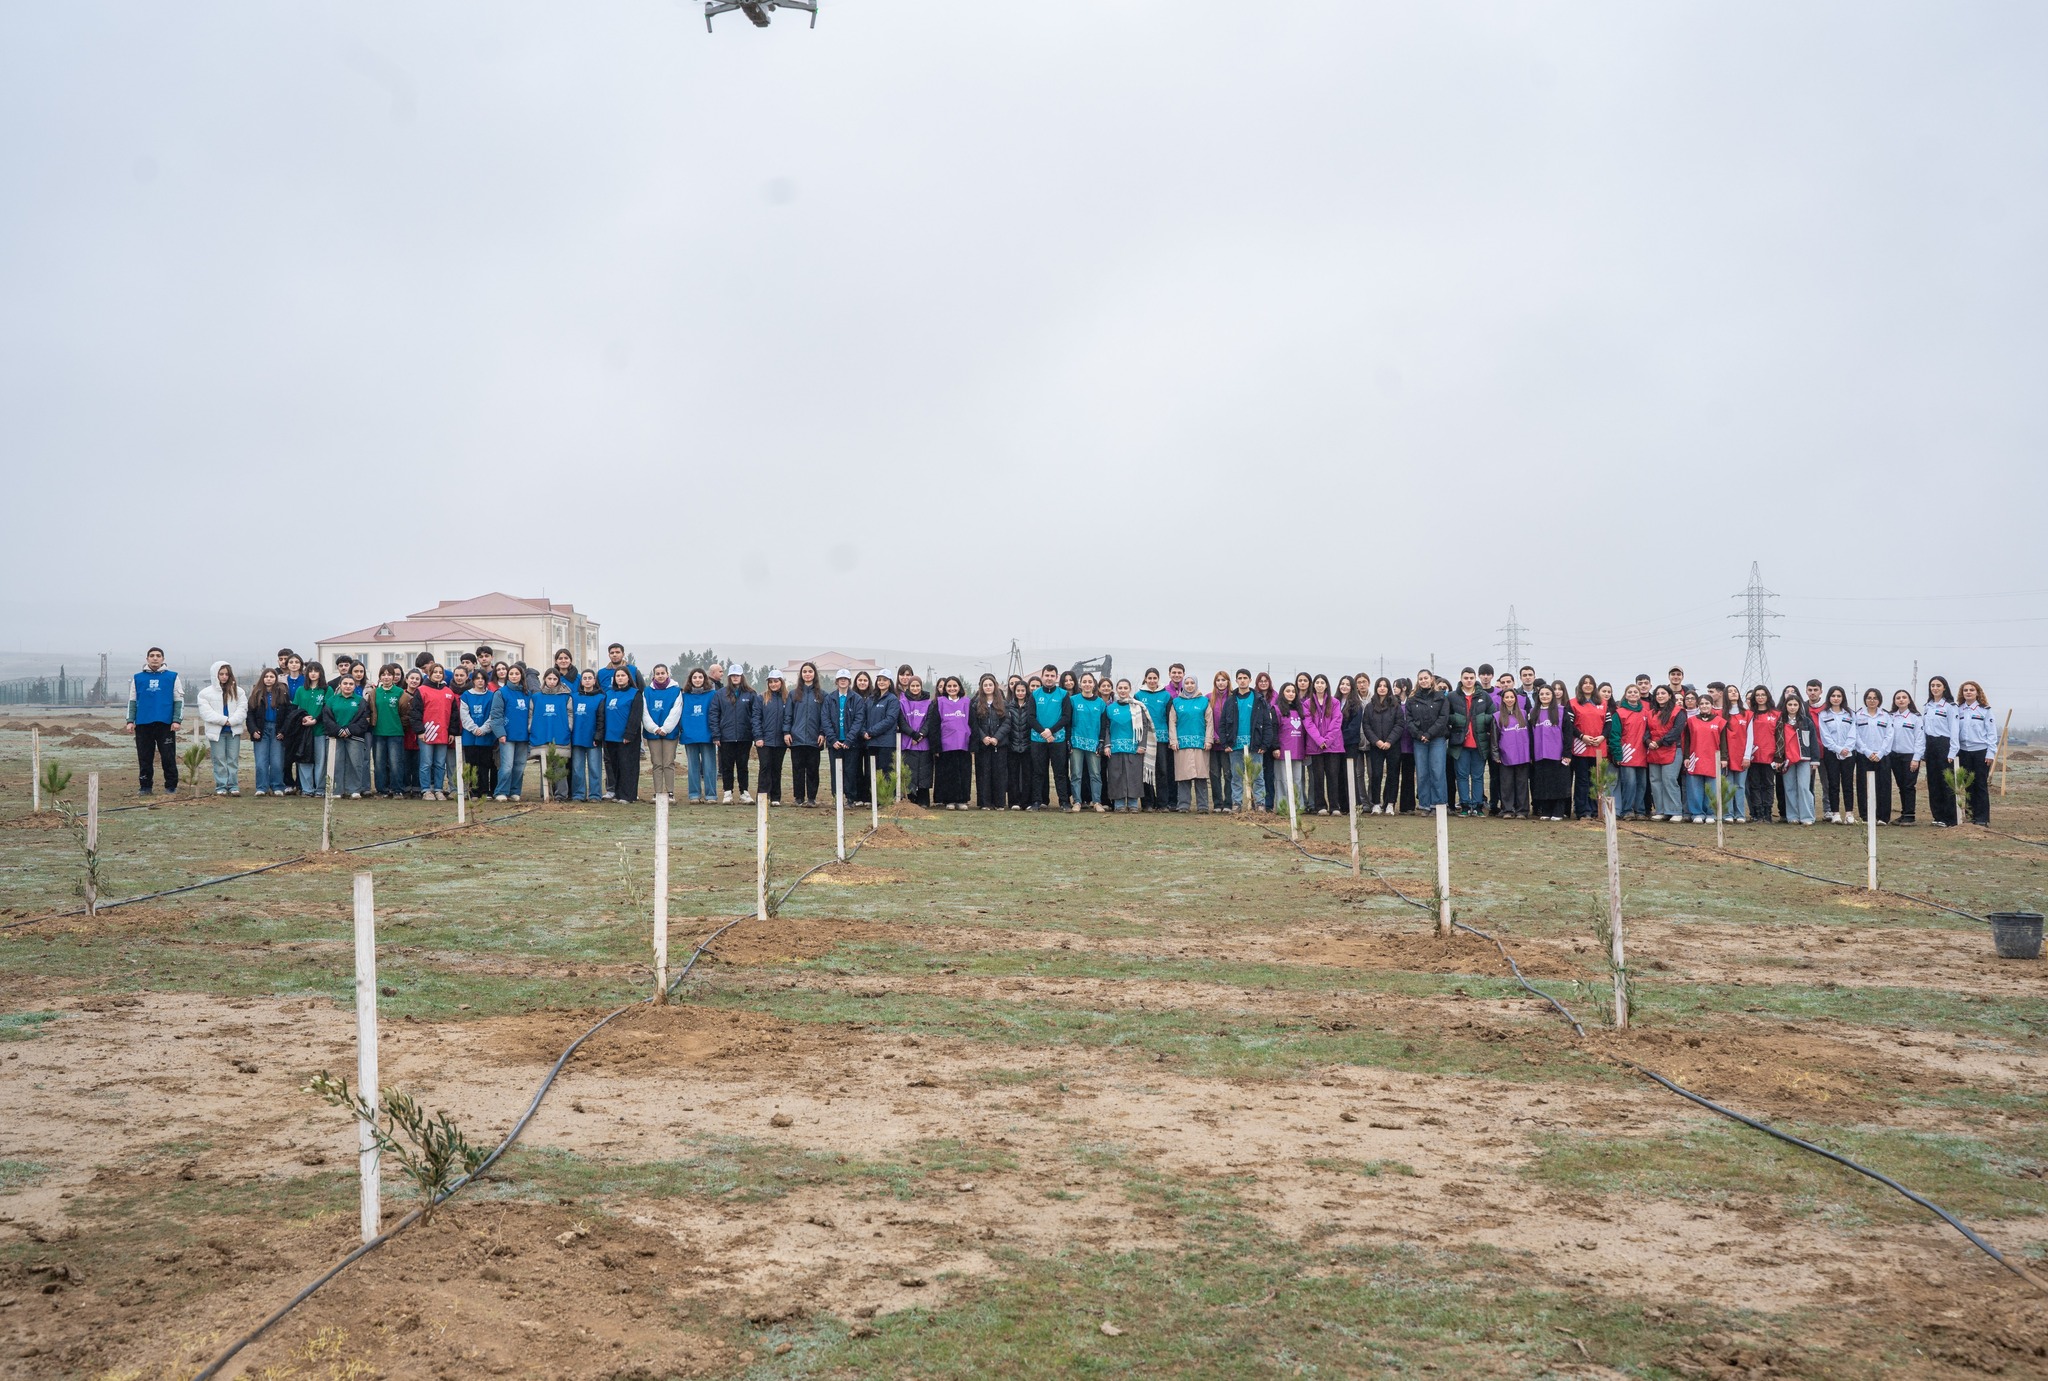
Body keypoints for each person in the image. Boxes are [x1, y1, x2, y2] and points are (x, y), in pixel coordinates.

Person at [125, 648, 184, 795]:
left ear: (163, 659)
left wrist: (177, 720)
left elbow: (178, 700)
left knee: (168, 756)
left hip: (165, 724)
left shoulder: (172, 677)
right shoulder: (138, 678)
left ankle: (171, 786)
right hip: (143, 723)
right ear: (147, 659)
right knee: (144, 757)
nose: (155, 658)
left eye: (158, 656)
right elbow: (132, 701)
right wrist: (130, 720)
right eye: (152, 656)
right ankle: (145, 786)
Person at [1445, 668, 1492, 819]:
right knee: (1462, 776)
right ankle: (1465, 805)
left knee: (1478, 776)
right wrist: (1457, 720)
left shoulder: (1484, 696)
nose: (1469, 680)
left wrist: (1482, 719)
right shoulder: (1452, 696)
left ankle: (1477, 806)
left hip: (1479, 744)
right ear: (1461, 679)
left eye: (1471, 677)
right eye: (1466, 678)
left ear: (1475, 678)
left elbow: (1493, 715)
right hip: (1460, 744)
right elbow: (1445, 717)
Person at [318, 673, 373, 798]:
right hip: (335, 737)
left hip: (355, 737)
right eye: (345, 683)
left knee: (355, 764)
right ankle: (337, 790)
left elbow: (364, 720)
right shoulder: (332, 700)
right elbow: (327, 719)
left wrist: (349, 730)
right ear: (340, 685)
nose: (348, 686)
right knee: (336, 763)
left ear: (354, 686)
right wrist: (338, 730)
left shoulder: (360, 701)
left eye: (351, 684)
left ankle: (354, 790)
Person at [1104, 679, 1155, 812]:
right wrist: (1107, 745)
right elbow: (1106, 728)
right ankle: (1119, 804)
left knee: (1134, 775)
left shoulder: (1138, 707)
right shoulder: (1110, 708)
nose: (1123, 691)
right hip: (1115, 748)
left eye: (1125, 688)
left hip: (1134, 748)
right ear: (1116, 689)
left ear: (1130, 689)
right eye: (1120, 688)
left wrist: (1142, 745)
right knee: (1116, 776)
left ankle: (1133, 804)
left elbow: (1145, 726)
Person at [710, 669, 760, 804]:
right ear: (729, 677)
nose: (735, 677)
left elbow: (755, 715)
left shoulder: (751, 693)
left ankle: (744, 792)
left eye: (737, 675)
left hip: (744, 736)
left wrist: (755, 734)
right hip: (726, 736)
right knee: (727, 766)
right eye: (732, 675)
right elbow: (714, 714)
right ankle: (728, 792)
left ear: (742, 676)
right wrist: (716, 735)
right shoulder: (720, 694)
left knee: (743, 766)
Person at [197, 661, 246, 795]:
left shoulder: (239, 691)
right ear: (215, 675)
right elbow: (206, 713)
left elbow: (242, 709)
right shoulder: (205, 693)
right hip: (216, 732)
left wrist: (232, 721)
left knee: (233, 760)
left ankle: (233, 785)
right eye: (221, 674)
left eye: (226, 674)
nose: (224, 677)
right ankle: (221, 786)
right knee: (219, 760)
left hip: (233, 731)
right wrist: (224, 720)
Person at [1406, 671, 1451, 812]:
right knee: (1422, 773)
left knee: (1437, 772)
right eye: (1420, 679)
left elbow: (1443, 718)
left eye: (1426, 678)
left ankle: (1439, 804)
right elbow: (1409, 720)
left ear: (1431, 679)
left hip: (1437, 739)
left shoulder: (1441, 697)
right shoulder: (1412, 700)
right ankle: (1425, 804)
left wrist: (1429, 734)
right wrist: (1419, 735)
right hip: (1419, 741)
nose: (1423, 681)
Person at [1953, 681, 1996, 826]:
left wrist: (1990, 753)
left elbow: (1991, 734)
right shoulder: (1958, 710)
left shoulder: (1985, 710)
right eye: (1965, 690)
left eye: (1972, 690)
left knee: (1980, 785)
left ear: (1977, 692)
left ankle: (1982, 818)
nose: (1968, 692)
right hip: (1964, 752)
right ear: (1962, 693)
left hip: (1980, 752)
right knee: (1968, 785)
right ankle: (1971, 815)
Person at [1303, 674, 1346, 817]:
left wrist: (1327, 740)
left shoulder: (1334, 702)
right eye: (1317, 682)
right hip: (1315, 746)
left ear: (1326, 685)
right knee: (1318, 777)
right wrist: (1319, 740)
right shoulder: (1307, 703)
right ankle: (1320, 806)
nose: (1320, 685)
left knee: (1333, 776)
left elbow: (1336, 722)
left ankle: (1334, 806)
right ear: (1313, 685)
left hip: (1333, 746)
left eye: (1322, 682)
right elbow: (1308, 724)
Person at [1029, 665, 1072, 809]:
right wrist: (1043, 732)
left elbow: (1066, 717)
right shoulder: (1035, 694)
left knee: (1060, 773)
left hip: (1057, 740)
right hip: (1038, 740)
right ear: (1042, 676)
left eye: (1052, 676)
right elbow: (1030, 717)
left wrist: (1051, 731)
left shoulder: (1063, 694)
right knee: (1038, 772)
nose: (1049, 678)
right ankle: (1036, 801)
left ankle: (1064, 802)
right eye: (1047, 675)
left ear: (1056, 677)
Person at [410, 665, 456, 799]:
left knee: (440, 764)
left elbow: (454, 714)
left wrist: (452, 732)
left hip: (443, 733)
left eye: (440, 672)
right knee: (426, 763)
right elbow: (415, 712)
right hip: (427, 733)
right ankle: (426, 790)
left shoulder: (449, 692)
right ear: (429, 674)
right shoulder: (421, 690)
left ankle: (438, 789)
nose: (438, 674)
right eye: (435, 672)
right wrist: (420, 731)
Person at [1133, 669, 1175, 812]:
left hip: (1161, 738)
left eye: (1154, 678)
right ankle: (1148, 803)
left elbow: (1169, 717)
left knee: (1162, 770)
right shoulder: (1138, 695)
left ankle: (1162, 803)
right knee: (1146, 770)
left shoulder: (1166, 695)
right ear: (1145, 679)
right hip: (1145, 738)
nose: (1152, 681)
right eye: (1149, 678)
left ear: (1158, 679)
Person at [786, 662, 828, 807]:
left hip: (814, 739)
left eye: (810, 671)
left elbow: (825, 717)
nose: (807, 674)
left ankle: (811, 798)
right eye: (805, 671)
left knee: (813, 770)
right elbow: (788, 716)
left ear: (815, 674)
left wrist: (822, 732)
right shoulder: (793, 694)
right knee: (797, 770)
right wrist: (786, 732)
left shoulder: (822, 695)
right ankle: (798, 798)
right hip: (796, 739)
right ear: (801, 674)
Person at [1168, 674, 1212, 812]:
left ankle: (1203, 806)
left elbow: (1209, 722)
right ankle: (1183, 805)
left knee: (1201, 776)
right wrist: (1173, 740)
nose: (1189, 685)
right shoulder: (1176, 702)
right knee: (1183, 776)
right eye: (1187, 683)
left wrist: (1208, 740)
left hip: (1200, 744)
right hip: (1182, 745)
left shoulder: (1204, 701)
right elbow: (1172, 722)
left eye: (1192, 683)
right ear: (1183, 685)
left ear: (1196, 684)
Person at [1850, 688, 1893, 824]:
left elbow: (1889, 735)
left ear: (1879, 700)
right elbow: (1856, 735)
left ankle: (1883, 817)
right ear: (1865, 700)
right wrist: (1867, 751)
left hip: (1882, 755)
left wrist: (1880, 752)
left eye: (1875, 698)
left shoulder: (1886, 716)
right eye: (1869, 698)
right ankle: (1865, 816)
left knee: (1883, 785)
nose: (1872, 700)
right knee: (1863, 786)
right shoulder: (1858, 715)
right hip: (1864, 755)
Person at [525, 669, 571, 800]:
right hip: (542, 735)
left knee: (560, 767)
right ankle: (546, 794)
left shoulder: (565, 697)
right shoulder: (536, 697)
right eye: (549, 678)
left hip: (559, 736)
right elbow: (530, 714)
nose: (552, 681)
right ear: (545, 679)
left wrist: (568, 727)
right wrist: (531, 727)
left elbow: (570, 714)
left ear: (558, 681)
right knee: (545, 767)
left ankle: (561, 795)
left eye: (555, 679)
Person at [458, 667, 503, 801]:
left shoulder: (492, 695)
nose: (480, 681)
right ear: (473, 680)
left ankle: (484, 790)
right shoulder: (466, 695)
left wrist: (483, 729)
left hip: (486, 736)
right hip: (470, 736)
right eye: (477, 678)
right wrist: (474, 729)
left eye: (482, 678)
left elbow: (492, 714)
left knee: (485, 764)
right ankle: (473, 791)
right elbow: (464, 715)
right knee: (472, 764)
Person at [1528, 684, 1572, 820]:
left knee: (1558, 784)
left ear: (1552, 695)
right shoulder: (1533, 712)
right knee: (1543, 784)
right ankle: (1546, 811)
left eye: (1547, 694)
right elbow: (1530, 736)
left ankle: (1558, 811)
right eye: (1542, 694)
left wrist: (1567, 754)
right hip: (1539, 755)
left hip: (1557, 755)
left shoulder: (1561, 711)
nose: (1544, 696)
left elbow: (1568, 733)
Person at [1566, 674, 1606, 820]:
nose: (1588, 685)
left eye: (1590, 683)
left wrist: (1602, 737)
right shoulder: (1573, 703)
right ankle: (1583, 811)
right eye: (1585, 683)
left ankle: (1595, 810)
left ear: (1594, 686)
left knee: (1596, 780)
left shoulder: (1603, 703)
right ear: (1580, 686)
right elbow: (1569, 725)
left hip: (1598, 747)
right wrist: (1582, 736)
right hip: (1581, 747)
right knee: (1582, 780)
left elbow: (1608, 724)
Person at [600, 667, 643, 804]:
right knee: (615, 766)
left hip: (626, 738)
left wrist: (629, 734)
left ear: (628, 678)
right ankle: (618, 794)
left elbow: (635, 716)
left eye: (622, 675)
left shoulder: (635, 694)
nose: (620, 678)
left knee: (627, 766)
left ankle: (628, 796)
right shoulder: (609, 693)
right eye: (617, 676)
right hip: (610, 737)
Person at [641, 665, 683, 802]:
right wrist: (654, 728)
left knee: (668, 763)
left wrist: (666, 728)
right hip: (653, 733)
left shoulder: (676, 691)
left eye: (662, 673)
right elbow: (644, 712)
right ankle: (658, 792)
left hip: (670, 733)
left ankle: (670, 792)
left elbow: (676, 711)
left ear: (667, 674)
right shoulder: (647, 691)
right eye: (657, 673)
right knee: (657, 763)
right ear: (653, 675)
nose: (660, 676)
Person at [1921, 676, 1959, 828]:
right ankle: (1938, 816)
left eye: (1938, 685)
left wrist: (1952, 751)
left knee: (1946, 782)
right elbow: (1924, 729)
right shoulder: (1927, 706)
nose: (1935, 688)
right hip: (1930, 745)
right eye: (1932, 685)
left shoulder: (1950, 706)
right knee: (1933, 782)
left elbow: (1954, 729)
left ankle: (1950, 817)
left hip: (1944, 744)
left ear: (1944, 688)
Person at [1067, 672, 1109, 812]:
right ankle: (1077, 801)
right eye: (1084, 681)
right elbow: (1068, 722)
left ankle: (1096, 801)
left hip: (1094, 744)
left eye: (1090, 682)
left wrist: (1101, 742)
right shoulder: (1073, 700)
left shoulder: (1100, 703)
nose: (1087, 684)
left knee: (1095, 774)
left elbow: (1103, 725)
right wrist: (1068, 740)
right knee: (1076, 774)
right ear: (1080, 684)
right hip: (1076, 742)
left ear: (1094, 684)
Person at [1490, 682, 1532, 818]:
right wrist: (1496, 755)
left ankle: (1522, 810)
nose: (1509, 699)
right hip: (1506, 755)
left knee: (1522, 784)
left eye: (1512, 697)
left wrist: (1531, 754)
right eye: (1506, 697)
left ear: (1516, 699)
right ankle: (1507, 810)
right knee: (1506, 784)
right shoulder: (1497, 716)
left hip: (1523, 755)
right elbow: (1494, 737)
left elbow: (1530, 734)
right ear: (1502, 699)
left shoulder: (1524, 714)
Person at [246, 668, 290, 796]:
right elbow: (250, 715)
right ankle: (262, 787)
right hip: (261, 730)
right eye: (266, 676)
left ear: (276, 679)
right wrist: (253, 730)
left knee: (277, 761)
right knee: (261, 761)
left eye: (272, 676)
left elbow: (288, 714)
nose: (269, 679)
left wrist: (283, 731)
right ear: (262, 678)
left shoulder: (282, 693)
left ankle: (277, 786)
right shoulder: (256, 694)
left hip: (277, 730)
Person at [1681, 690, 1723, 823]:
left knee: (1712, 788)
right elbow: (1687, 740)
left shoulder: (1720, 721)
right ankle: (1697, 813)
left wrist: (1724, 758)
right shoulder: (1691, 721)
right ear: (1698, 706)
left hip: (1713, 757)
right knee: (1694, 787)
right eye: (1702, 704)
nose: (1704, 706)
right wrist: (1686, 757)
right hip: (1695, 757)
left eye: (1707, 703)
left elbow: (1724, 742)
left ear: (1711, 705)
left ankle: (1711, 813)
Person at [1643, 686, 1685, 821]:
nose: (1660, 696)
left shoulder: (1678, 712)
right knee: (1655, 781)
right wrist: (1648, 741)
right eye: (1657, 694)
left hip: (1671, 748)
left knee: (1669, 780)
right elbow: (1646, 730)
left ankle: (1675, 811)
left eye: (1663, 693)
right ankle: (1660, 810)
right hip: (1654, 750)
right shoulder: (1650, 713)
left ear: (1670, 695)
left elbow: (1676, 730)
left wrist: (1660, 742)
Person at [1361, 677, 1402, 815]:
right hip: (1376, 746)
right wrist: (1376, 741)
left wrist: (1389, 741)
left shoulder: (1395, 705)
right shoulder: (1370, 706)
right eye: (1380, 685)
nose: (1382, 688)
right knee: (1376, 774)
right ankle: (1376, 804)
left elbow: (1399, 725)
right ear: (1376, 688)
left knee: (1393, 774)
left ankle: (1390, 803)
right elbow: (1366, 726)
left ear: (1389, 688)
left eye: (1385, 686)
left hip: (1393, 746)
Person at [1816, 686, 1857, 822]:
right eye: (1833, 696)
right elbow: (1825, 736)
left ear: (1843, 698)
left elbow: (1853, 733)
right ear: (1829, 698)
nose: (1836, 698)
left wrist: (1847, 748)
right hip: (1831, 753)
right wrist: (1838, 749)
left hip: (1849, 753)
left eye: (1839, 696)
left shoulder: (1850, 714)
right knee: (1833, 784)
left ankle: (1849, 814)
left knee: (1848, 783)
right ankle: (1835, 814)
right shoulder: (1823, 715)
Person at [932, 676, 974, 809]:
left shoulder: (967, 702)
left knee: (964, 773)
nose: (952, 688)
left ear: (959, 687)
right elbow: (934, 725)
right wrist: (936, 746)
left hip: (963, 744)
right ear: (945, 688)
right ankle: (949, 800)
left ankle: (962, 800)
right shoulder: (939, 702)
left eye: (955, 686)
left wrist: (973, 744)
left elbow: (973, 724)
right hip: (946, 745)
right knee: (948, 773)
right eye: (949, 686)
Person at [289, 662, 330, 796]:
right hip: (304, 732)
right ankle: (307, 789)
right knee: (304, 759)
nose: (313, 673)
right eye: (310, 671)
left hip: (320, 731)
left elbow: (327, 710)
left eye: (316, 671)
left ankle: (320, 789)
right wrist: (302, 718)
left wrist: (316, 720)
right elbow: (294, 709)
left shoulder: (326, 690)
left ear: (320, 673)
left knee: (320, 761)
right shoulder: (301, 690)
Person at [1778, 688, 1817, 825]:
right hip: (1787, 760)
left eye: (1795, 704)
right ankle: (1793, 816)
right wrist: (1778, 759)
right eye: (1790, 704)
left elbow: (1813, 741)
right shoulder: (1780, 722)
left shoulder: (1806, 721)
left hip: (1804, 759)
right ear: (1785, 706)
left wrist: (1815, 760)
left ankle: (1807, 817)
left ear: (1800, 706)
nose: (1792, 707)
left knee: (1804, 787)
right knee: (1789, 788)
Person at [826, 670, 864, 805]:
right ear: (836, 681)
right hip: (834, 743)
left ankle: (850, 798)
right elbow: (825, 720)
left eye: (845, 679)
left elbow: (858, 720)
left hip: (851, 743)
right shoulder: (829, 698)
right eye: (840, 679)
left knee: (850, 771)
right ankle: (837, 797)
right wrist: (832, 739)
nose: (843, 681)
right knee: (835, 771)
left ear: (849, 681)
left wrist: (849, 739)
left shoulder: (857, 699)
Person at [971, 673, 1009, 809]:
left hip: (999, 744)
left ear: (995, 686)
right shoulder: (976, 704)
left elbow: (1007, 723)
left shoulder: (1003, 703)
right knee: (983, 774)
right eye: (985, 685)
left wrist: (996, 738)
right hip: (983, 745)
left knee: (999, 774)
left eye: (990, 685)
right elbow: (974, 724)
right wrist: (983, 737)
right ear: (981, 687)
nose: (988, 687)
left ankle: (999, 803)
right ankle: (985, 803)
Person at [897, 672, 935, 806]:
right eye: (912, 686)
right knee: (910, 772)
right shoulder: (902, 702)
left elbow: (929, 721)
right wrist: (913, 734)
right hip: (908, 742)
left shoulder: (929, 703)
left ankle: (923, 800)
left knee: (924, 772)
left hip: (924, 743)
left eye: (917, 686)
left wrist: (921, 735)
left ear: (921, 686)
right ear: (908, 687)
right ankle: (910, 799)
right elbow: (901, 722)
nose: (915, 688)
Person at [1612, 684, 1650, 820]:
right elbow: (1615, 735)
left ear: (1639, 695)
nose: (1633, 694)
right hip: (1627, 753)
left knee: (1642, 784)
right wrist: (1617, 754)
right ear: (1626, 695)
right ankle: (1627, 810)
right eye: (1630, 692)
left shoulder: (1646, 713)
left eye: (1635, 692)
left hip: (1642, 754)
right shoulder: (1619, 713)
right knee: (1629, 784)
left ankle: (1640, 811)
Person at [680, 668, 717, 804]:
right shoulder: (684, 696)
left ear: (704, 679)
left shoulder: (712, 694)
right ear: (690, 680)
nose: (697, 680)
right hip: (689, 736)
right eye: (694, 677)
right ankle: (694, 794)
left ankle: (711, 795)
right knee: (693, 767)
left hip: (707, 735)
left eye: (700, 677)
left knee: (709, 766)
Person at [496, 665, 533, 801]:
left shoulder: (527, 693)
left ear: (521, 676)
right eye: (511, 673)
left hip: (523, 736)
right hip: (507, 736)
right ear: (508, 676)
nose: (514, 676)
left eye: (517, 673)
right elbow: (496, 715)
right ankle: (501, 791)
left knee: (520, 766)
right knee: (507, 766)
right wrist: (500, 733)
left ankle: (515, 791)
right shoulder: (501, 693)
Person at [1744, 686, 1779, 824]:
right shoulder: (1749, 714)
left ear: (1767, 696)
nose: (1760, 697)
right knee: (1754, 785)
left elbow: (1780, 736)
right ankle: (1758, 813)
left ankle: (1767, 813)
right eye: (1757, 695)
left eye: (1763, 694)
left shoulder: (1776, 714)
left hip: (1770, 755)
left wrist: (1778, 756)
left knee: (1768, 785)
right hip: (1753, 756)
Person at [1270, 678, 1305, 814]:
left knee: (1297, 780)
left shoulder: (1300, 710)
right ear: (1282, 693)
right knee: (1282, 780)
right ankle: (1282, 806)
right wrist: (1275, 747)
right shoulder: (1277, 709)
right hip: (1282, 751)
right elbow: (1273, 730)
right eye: (1288, 691)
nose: (1291, 694)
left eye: (1293, 691)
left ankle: (1298, 806)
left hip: (1298, 750)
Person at [755, 670, 790, 805]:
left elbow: (788, 718)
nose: (773, 684)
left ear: (781, 682)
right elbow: (756, 719)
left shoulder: (787, 698)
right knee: (765, 767)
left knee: (777, 768)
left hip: (780, 740)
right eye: (771, 682)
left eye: (776, 681)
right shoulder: (761, 698)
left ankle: (775, 797)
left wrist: (786, 733)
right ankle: (762, 796)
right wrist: (758, 737)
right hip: (764, 740)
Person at [569, 669, 605, 802]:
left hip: (593, 739)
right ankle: (578, 794)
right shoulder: (573, 697)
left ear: (594, 681)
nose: (587, 680)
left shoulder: (601, 697)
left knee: (594, 768)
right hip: (577, 738)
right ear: (581, 681)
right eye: (585, 678)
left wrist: (598, 736)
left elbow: (601, 719)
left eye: (590, 678)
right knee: (577, 768)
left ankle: (595, 794)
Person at [865, 672, 900, 805]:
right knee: (872, 773)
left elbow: (890, 720)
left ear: (889, 682)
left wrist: (871, 731)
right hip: (871, 742)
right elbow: (863, 717)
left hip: (886, 743)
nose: (881, 682)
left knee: (885, 772)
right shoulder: (870, 699)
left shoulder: (892, 699)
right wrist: (863, 732)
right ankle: (874, 799)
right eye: (879, 680)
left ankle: (885, 799)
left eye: (885, 680)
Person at [1720, 685, 1752, 824]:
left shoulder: (1747, 714)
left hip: (1742, 756)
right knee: (1728, 785)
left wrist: (1747, 756)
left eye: (1735, 691)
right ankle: (1728, 814)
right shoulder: (1721, 714)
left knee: (1740, 786)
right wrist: (1723, 757)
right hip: (1727, 757)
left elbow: (1750, 736)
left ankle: (1740, 814)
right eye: (1730, 691)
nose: (1733, 693)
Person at [1004, 679, 1035, 810]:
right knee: (1013, 775)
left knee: (1027, 775)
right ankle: (1014, 802)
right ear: (1014, 691)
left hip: (1028, 746)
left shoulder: (1031, 706)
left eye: (1023, 690)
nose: (1020, 693)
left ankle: (1026, 802)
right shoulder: (1008, 707)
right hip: (1012, 746)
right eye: (1018, 690)